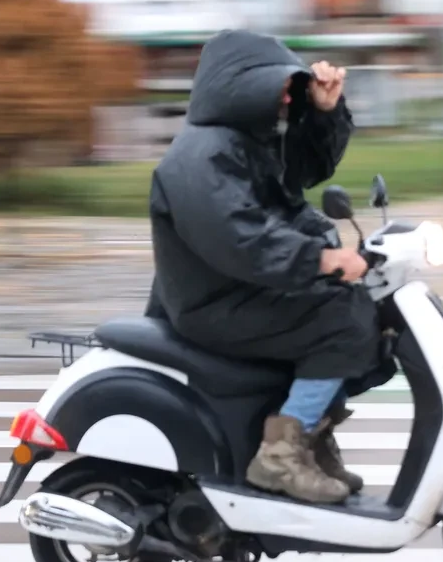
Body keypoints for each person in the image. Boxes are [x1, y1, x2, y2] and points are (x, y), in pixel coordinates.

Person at [145, 29, 388, 505]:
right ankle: (279, 457)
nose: (285, 93)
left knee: (367, 315)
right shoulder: (200, 157)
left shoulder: (245, 142)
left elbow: (307, 168)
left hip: (243, 290)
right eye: (277, 84)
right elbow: (242, 237)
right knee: (340, 320)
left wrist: (324, 109)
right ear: (234, 87)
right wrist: (318, 258)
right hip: (215, 301)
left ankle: (309, 440)